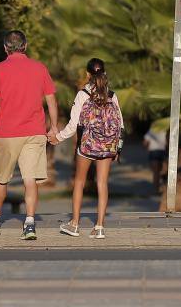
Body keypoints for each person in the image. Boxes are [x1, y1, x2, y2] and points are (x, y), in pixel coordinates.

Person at [0, 30, 58, 240]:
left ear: (6, 47)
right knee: (30, 179)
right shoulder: (39, 68)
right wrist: (54, 127)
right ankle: (30, 224)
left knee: (2, 178)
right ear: (25, 45)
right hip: (34, 131)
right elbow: (51, 100)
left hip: (7, 133)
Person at [50, 58, 124, 239]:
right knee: (102, 183)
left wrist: (57, 137)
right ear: (104, 73)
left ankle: (74, 224)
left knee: (79, 182)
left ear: (87, 74)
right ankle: (99, 227)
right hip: (107, 146)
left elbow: (73, 124)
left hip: (86, 146)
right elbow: (120, 125)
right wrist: (118, 149)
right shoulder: (112, 95)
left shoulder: (83, 94)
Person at [143, 127, 167, 194]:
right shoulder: (165, 129)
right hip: (163, 152)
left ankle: (156, 190)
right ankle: (163, 188)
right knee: (164, 171)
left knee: (156, 173)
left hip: (153, 152)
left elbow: (145, 142)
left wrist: (146, 148)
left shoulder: (152, 129)